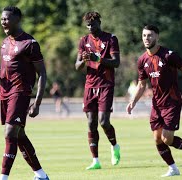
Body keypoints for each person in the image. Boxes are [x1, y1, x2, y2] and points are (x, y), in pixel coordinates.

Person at [126, 25, 182, 177]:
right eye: (144, 35)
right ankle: (173, 168)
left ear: (157, 37)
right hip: (156, 104)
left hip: (172, 101)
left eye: (150, 35)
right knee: (157, 139)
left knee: (167, 138)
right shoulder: (142, 60)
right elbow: (142, 84)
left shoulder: (169, 55)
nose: (146, 38)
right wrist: (133, 101)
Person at [0, 6, 49, 180]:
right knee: (19, 136)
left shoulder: (29, 44)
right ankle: (41, 175)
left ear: (17, 19)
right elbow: (3, 74)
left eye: (7, 18)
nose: (3, 21)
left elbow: (43, 73)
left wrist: (37, 103)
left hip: (20, 93)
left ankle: (3, 178)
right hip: (5, 94)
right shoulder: (4, 43)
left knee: (10, 133)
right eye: (2, 18)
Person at [75, 11, 121, 170]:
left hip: (106, 84)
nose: (90, 27)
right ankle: (95, 160)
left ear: (99, 23)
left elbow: (116, 63)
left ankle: (115, 146)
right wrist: (84, 60)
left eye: (92, 24)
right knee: (91, 122)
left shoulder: (111, 39)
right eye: (87, 25)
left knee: (104, 121)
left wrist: (98, 59)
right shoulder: (83, 41)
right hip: (90, 85)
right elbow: (77, 66)